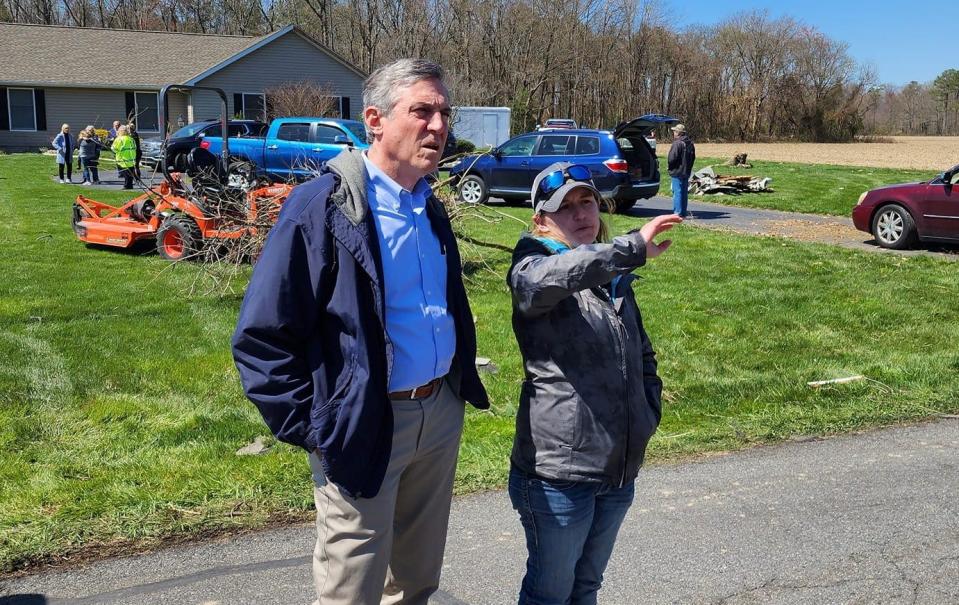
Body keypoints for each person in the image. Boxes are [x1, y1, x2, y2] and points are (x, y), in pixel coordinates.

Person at [232, 59, 489, 605]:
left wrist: (452, 388)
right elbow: (261, 337)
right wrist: (319, 425)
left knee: (417, 580)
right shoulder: (322, 208)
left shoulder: (429, 206)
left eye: (445, 112)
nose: (439, 125)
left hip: (438, 412)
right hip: (364, 420)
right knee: (353, 586)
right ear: (375, 119)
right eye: (422, 111)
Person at [507, 161, 681, 605]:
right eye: (565, 207)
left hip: (617, 467)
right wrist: (628, 248)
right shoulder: (531, 270)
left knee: (586, 588)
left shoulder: (611, 277)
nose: (582, 213)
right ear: (540, 220)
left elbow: (642, 353)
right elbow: (558, 275)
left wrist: (647, 409)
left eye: (588, 202)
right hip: (559, 474)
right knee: (550, 593)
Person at [667, 123, 695, 217]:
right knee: (683, 192)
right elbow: (693, 157)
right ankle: (683, 212)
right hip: (686, 171)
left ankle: (677, 213)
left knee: (677, 192)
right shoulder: (690, 143)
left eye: (674, 131)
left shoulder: (677, 143)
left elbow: (671, 158)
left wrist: (670, 167)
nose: (673, 133)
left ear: (678, 133)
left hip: (677, 171)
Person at [111, 125, 137, 189]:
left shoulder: (119, 139)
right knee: (130, 173)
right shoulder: (131, 139)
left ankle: (127, 185)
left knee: (125, 173)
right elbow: (135, 147)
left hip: (123, 158)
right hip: (131, 158)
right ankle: (130, 185)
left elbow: (114, 148)